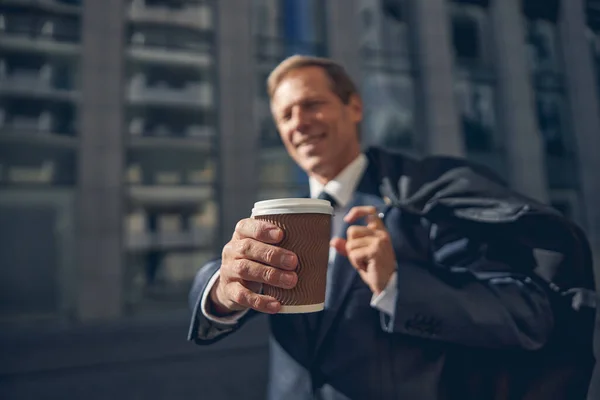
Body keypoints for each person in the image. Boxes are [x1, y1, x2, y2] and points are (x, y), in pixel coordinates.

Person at [187, 55, 594, 399]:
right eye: (285, 115)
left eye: (312, 104)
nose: (299, 123)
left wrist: (398, 286)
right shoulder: (278, 215)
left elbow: (526, 314)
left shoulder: (427, 197)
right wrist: (223, 289)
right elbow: (216, 277)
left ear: (355, 107)